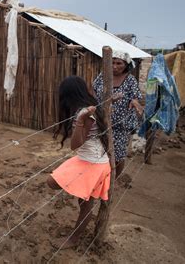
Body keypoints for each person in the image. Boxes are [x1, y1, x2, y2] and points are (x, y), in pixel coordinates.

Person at [47, 76, 110, 249]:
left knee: (85, 204)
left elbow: (75, 145)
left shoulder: (84, 114)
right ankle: (77, 228)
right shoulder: (91, 107)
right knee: (55, 183)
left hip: (92, 163)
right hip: (88, 158)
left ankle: (73, 240)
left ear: (67, 96)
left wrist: (80, 122)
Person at [93, 47, 143, 178]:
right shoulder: (102, 77)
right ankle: (101, 178)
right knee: (100, 152)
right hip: (101, 122)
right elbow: (94, 93)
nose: (114, 66)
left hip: (121, 126)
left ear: (126, 64)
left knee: (118, 155)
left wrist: (135, 102)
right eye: (112, 62)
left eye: (119, 63)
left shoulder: (130, 80)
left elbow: (135, 97)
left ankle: (113, 179)